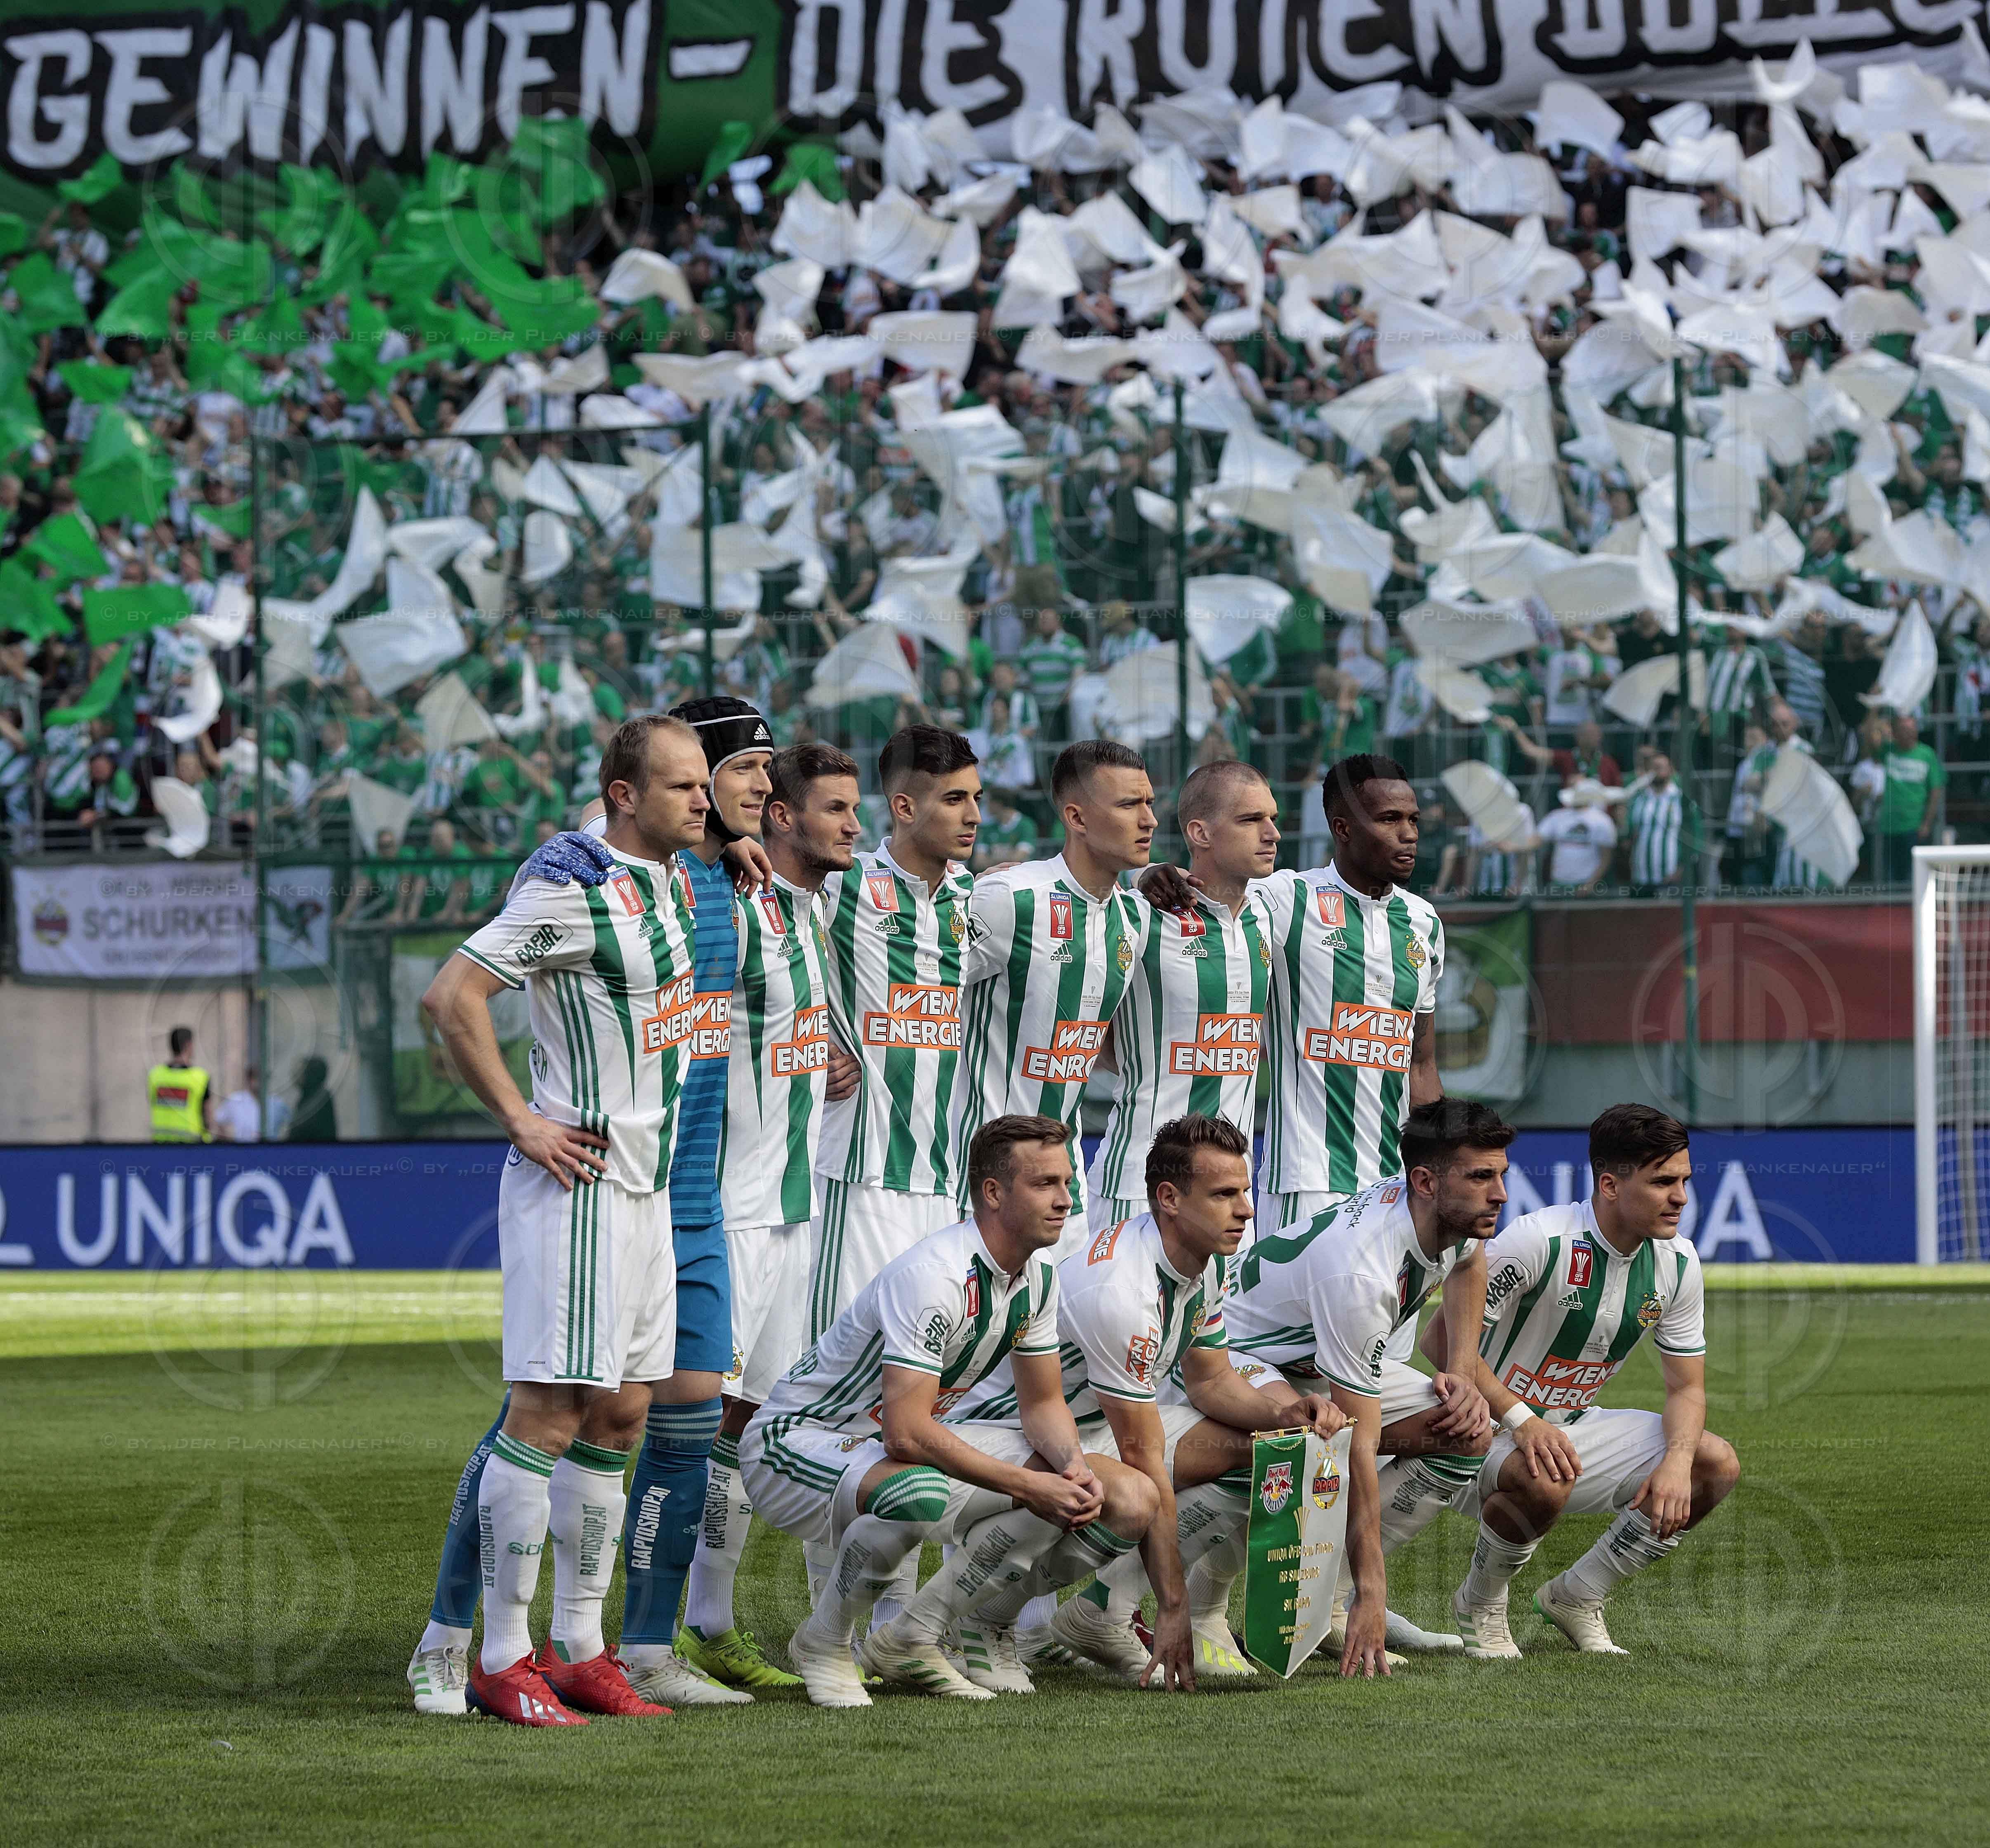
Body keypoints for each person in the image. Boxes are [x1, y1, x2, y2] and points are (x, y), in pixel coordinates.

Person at [407, 713, 706, 1725]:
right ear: (625, 798)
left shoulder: (664, 874)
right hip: (577, 1187)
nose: (702, 803)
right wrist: (524, 1122)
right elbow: (451, 996)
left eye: (707, 786)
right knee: (546, 1417)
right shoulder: (570, 892)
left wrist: (731, 830)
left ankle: (581, 1648)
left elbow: (656, 813)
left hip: (647, 1190)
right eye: (682, 789)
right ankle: (501, 1657)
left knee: (623, 1414)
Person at [740, 1116, 1160, 1708]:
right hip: (797, 1443)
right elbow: (908, 1434)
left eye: (1067, 1182)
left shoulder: (1036, 1279)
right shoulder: (934, 1276)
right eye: (1045, 1184)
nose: (1066, 1199)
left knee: (1126, 1497)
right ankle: (823, 1643)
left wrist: (1070, 1467)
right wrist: (1030, 1484)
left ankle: (917, 1635)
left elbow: (1043, 1404)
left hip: (882, 1451)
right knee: (918, 1493)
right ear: (993, 1192)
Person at [979, 1115, 1346, 1688]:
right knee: (1134, 1494)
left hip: (1090, 1423)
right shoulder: (1122, 1292)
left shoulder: (1207, 1256)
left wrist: (1282, 1413)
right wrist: (1172, 1605)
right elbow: (1145, 1455)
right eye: (1225, 1194)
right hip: (1012, 1431)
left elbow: (1211, 1381)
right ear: (1170, 1199)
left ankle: (1101, 1611)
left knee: (1272, 1450)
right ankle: (983, 1619)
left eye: (1245, 1191)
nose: (1246, 1209)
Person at [677, 743, 862, 1691]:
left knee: (754, 1420)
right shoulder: (734, 910)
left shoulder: (816, 905)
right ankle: (645, 1629)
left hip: (795, 1214)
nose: (855, 825)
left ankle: (707, 1624)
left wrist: (825, 1058)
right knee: (687, 1419)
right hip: (731, 1213)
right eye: (835, 808)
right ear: (779, 818)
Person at [1424, 1105, 1738, 1658]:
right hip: (1478, 1433)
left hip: (1566, 1431)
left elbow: (1687, 1389)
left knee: (1713, 1464)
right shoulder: (1537, 1241)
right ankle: (1481, 1602)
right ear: (1611, 1185)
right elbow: (1442, 1347)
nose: (1681, 1197)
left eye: (1685, 1180)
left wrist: (1676, 1463)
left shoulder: (1679, 1264)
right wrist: (1522, 1422)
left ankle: (1578, 1596)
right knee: (1545, 1473)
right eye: (1664, 1181)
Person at [1220, 1099, 1512, 1674]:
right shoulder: (1363, 1272)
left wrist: (1459, 1368)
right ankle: (1140, 1612)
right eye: (1482, 1177)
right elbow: (1358, 1443)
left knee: (1468, 1433)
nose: (1500, 1193)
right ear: (1426, 1181)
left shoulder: (1449, 1213)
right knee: (1311, 1447)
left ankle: (1330, 1604)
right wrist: (1377, 1592)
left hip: (1311, 1360)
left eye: (1501, 1174)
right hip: (1237, 1355)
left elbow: (1469, 1264)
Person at [808, 725, 981, 1616]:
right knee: (846, 1410)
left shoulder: (969, 906)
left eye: (978, 798)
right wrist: (812, 1039)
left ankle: (893, 1622)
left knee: (926, 1407)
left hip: (943, 1193)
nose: (974, 815)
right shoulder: (843, 891)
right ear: (904, 805)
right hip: (860, 1179)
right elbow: (766, 949)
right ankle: (827, 1617)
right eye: (954, 798)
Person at [953, 738, 1151, 1259]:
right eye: (1129, 805)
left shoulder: (1135, 919)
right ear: (1077, 817)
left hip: (1069, 1187)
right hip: (982, 1185)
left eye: (1150, 803)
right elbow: (919, 987)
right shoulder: (1010, 898)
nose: (1148, 819)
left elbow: (1099, 1040)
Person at [1245, 754, 1443, 1231]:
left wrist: (1443, 1163)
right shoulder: (1286, 899)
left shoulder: (1424, 923)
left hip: (1393, 1183)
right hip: (1304, 1183)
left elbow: (1420, 1062)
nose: (1409, 833)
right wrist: (1153, 876)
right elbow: (1212, 889)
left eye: (1413, 819)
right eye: (1390, 819)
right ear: (1343, 828)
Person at [1087, 760, 1276, 1226]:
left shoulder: (1274, 914)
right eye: (1251, 820)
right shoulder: (1140, 915)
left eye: (1273, 819)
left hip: (1232, 1195)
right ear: (1201, 833)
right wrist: (1139, 874)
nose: (1272, 833)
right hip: (1138, 1188)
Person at [1877, 711, 1944, 885]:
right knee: (1890, 882)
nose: (1907, 732)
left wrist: (1927, 824)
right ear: (1896, 732)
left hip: (1914, 827)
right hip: (1889, 826)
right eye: (1903, 729)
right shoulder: (1888, 751)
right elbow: (1870, 739)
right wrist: (1873, 707)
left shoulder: (1927, 754)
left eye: (1910, 728)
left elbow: (1936, 790)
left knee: (1914, 880)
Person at [1535, 779, 1618, 894]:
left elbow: (1606, 857)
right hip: (1559, 882)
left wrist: (1590, 884)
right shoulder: (1557, 817)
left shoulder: (1602, 820)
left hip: (1587, 883)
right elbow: (1536, 840)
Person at [1624, 753, 1684, 891]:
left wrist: (1683, 868)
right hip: (1641, 875)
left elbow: (1694, 835)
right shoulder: (1638, 799)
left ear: (1670, 770)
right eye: (1653, 768)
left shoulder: (1680, 799)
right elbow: (1629, 834)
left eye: (1660, 767)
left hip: (1671, 875)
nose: (1656, 772)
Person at [148, 1027, 213, 1143]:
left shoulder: (155, 1075)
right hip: (191, 1148)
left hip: (160, 1146)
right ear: (189, 1045)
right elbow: (207, 1117)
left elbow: (152, 1103)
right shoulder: (201, 1077)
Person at [213, 1063, 290, 1143]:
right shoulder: (236, 1100)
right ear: (249, 1080)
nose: (259, 1082)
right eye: (256, 1078)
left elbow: (291, 1123)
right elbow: (219, 1120)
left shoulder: (277, 1103)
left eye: (263, 1078)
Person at [287, 1057, 338, 1142]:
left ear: (310, 1075)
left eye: (301, 1072)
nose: (297, 1076)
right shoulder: (306, 1097)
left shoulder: (320, 1098)